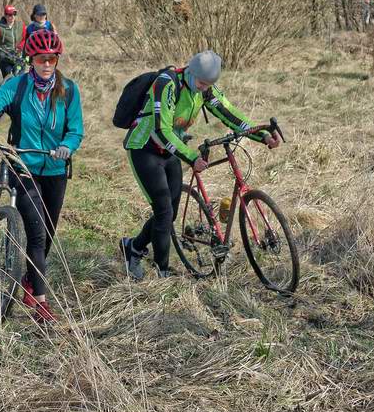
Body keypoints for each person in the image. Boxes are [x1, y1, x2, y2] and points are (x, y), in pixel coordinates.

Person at [0, 29, 84, 323]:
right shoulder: (18, 87)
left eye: (51, 59)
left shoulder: (69, 91)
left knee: (47, 236)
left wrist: (66, 146)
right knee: (36, 235)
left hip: (55, 170)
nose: (47, 64)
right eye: (41, 59)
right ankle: (41, 304)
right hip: (21, 168)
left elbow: (76, 129)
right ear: (31, 59)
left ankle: (28, 280)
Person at [119, 50, 282, 280]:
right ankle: (162, 273)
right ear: (190, 71)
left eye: (208, 85)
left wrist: (262, 135)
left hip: (170, 150)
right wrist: (192, 157)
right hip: (145, 147)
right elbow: (161, 130)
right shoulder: (167, 84)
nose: (203, 88)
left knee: (170, 214)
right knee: (164, 212)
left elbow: (230, 114)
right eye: (201, 83)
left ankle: (133, 247)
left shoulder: (205, 90)